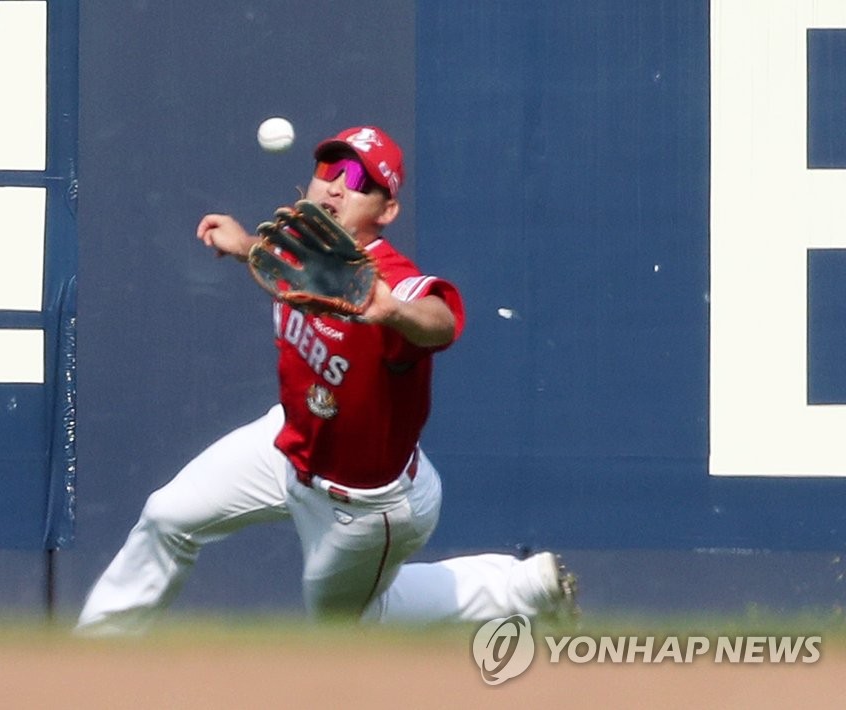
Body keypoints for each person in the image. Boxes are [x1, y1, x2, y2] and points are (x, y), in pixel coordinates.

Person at [75, 126, 577, 634]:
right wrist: (242, 244)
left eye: (358, 179)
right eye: (328, 171)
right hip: (286, 447)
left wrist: (394, 311)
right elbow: (285, 265)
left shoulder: (389, 280)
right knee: (167, 516)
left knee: (348, 628)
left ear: (387, 212)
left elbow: (439, 321)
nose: (335, 186)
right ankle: (91, 660)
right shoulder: (302, 247)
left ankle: (519, 588)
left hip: (361, 503)